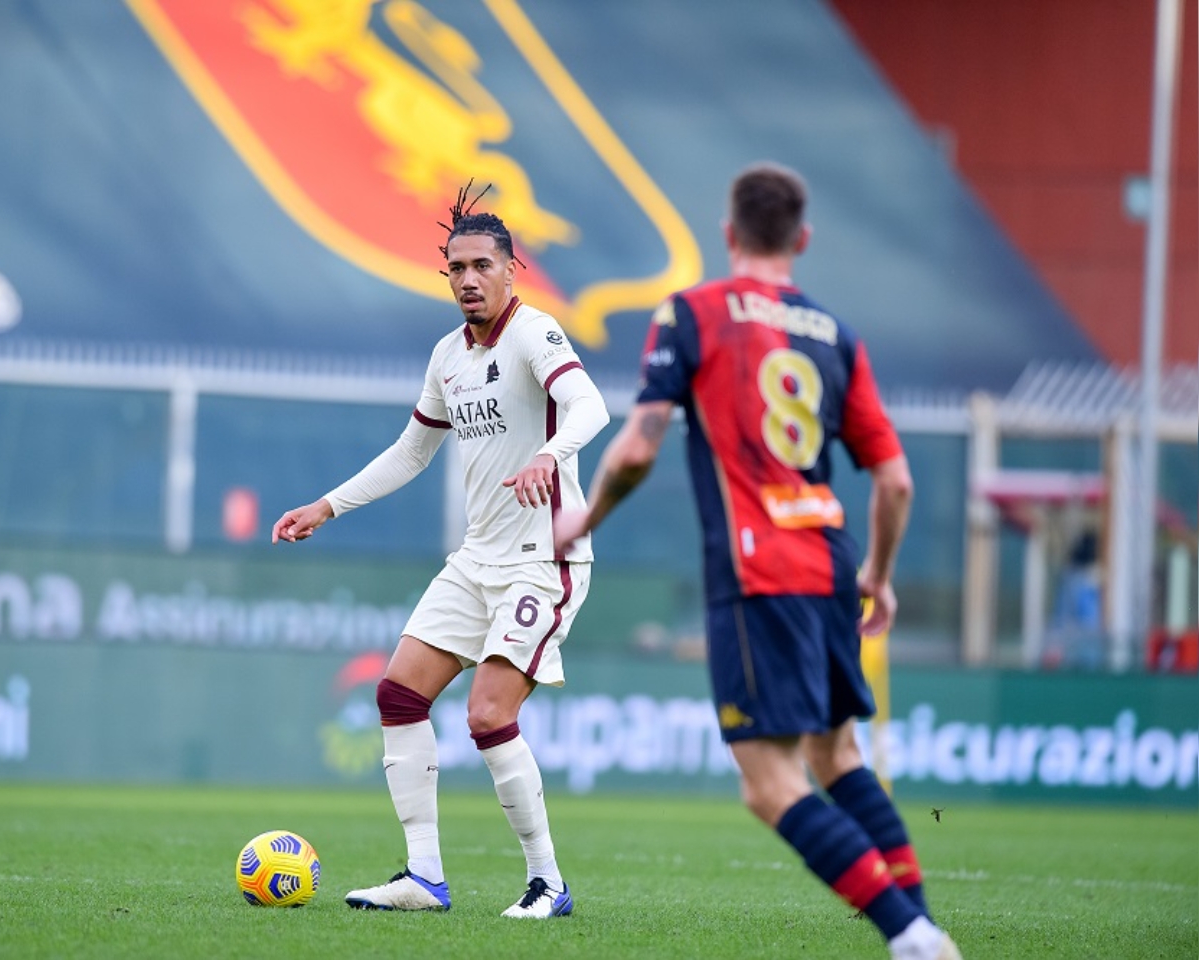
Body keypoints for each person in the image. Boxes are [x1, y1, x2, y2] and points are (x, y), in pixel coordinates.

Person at [553, 162, 960, 960]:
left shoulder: (693, 313)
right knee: (836, 754)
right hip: (831, 561)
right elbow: (897, 480)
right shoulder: (836, 335)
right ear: (802, 240)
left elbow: (639, 444)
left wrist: (586, 515)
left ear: (728, 234)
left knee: (770, 786)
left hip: (756, 570)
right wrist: (876, 571)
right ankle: (919, 928)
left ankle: (911, 936)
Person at [272, 184, 610, 919]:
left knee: (489, 716)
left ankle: (548, 884)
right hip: (478, 558)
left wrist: (553, 454)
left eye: (481, 265)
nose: (466, 280)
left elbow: (591, 405)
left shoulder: (534, 334)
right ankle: (425, 878)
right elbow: (411, 453)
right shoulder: (448, 357)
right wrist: (327, 505)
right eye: (455, 268)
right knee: (397, 694)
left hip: (541, 559)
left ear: (511, 268)